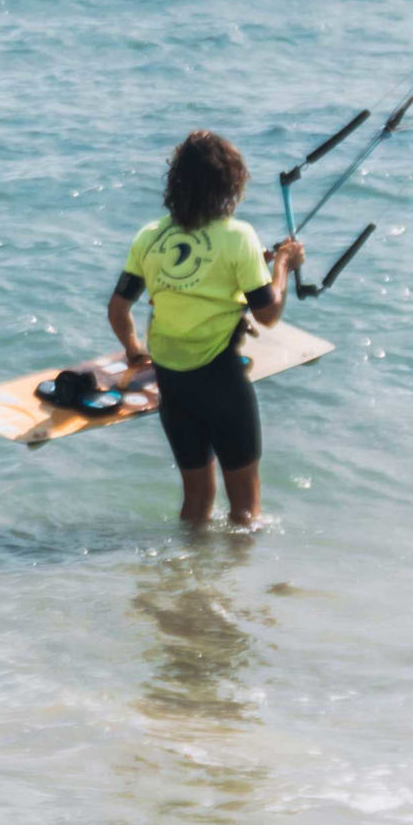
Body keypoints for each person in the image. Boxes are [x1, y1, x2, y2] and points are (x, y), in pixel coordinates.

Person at [108, 132, 305, 528]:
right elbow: (267, 313)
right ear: (231, 183)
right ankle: (233, 586)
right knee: (245, 511)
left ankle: (188, 583)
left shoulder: (150, 236)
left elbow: (118, 308)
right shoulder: (238, 237)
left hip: (173, 385)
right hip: (220, 382)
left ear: (175, 183)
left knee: (196, 504)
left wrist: (132, 348)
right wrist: (282, 263)